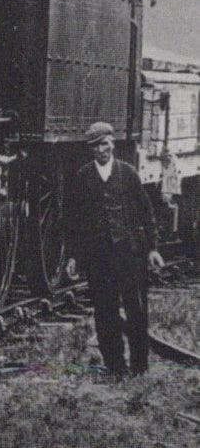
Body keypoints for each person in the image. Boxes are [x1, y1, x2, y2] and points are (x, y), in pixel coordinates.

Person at [65, 121, 164, 377]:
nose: (102, 150)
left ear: (113, 144)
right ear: (91, 149)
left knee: (136, 310)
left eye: (106, 143)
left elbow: (146, 213)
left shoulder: (128, 173)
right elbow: (74, 221)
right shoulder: (83, 177)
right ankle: (115, 367)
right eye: (97, 146)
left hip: (130, 253)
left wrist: (153, 249)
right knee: (104, 311)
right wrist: (74, 257)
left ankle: (139, 367)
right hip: (98, 257)